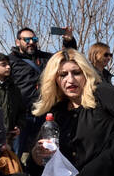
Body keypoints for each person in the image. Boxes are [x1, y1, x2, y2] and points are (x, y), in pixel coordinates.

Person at [7, 25, 77, 153]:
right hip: (23, 116)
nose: (31, 42)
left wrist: (68, 40)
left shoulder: (45, 58)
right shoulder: (10, 61)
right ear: (18, 42)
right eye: (27, 40)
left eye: (34, 39)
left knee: (47, 151)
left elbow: (67, 56)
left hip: (45, 115)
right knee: (16, 153)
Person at [0, 53, 26, 143]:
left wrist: (19, 126)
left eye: (8, 64)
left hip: (9, 139)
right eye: (3, 65)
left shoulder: (14, 89)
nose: (8, 67)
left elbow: (21, 112)